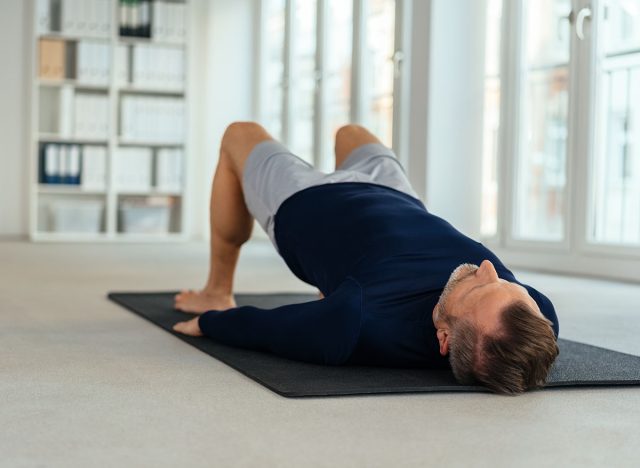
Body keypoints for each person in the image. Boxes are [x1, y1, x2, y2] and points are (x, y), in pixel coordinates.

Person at [172, 122, 560, 395]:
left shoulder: (360, 319)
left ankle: (216, 289)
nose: (489, 268)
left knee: (238, 134)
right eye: (509, 285)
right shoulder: (535, 316)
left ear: (443, 338)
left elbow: (275, 328)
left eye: (480, 288)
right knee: (350, 133)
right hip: (396, 195)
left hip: (307, 202)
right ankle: (335, 284)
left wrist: (212, 322)